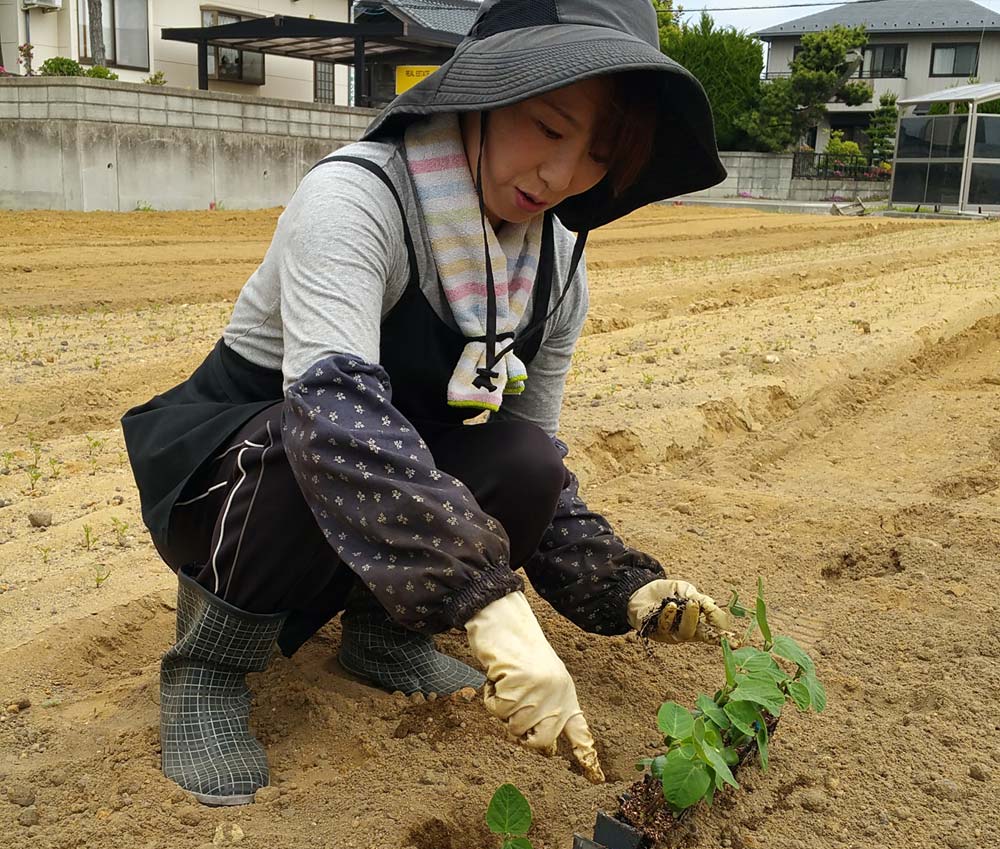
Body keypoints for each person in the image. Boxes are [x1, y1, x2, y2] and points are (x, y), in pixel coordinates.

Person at [122, 0, 733, 807]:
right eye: (549, 128)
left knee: (524, 458)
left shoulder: (555, 270)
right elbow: (335, 419)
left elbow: (531, 462)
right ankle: (207, 667)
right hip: (239, 472)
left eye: (596, 154)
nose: (562, 176)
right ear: (480, 93)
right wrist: (486, 601)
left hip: (375, 475)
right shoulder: (355, 200)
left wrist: (623, 587)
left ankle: (385, 636)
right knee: (312, 437)